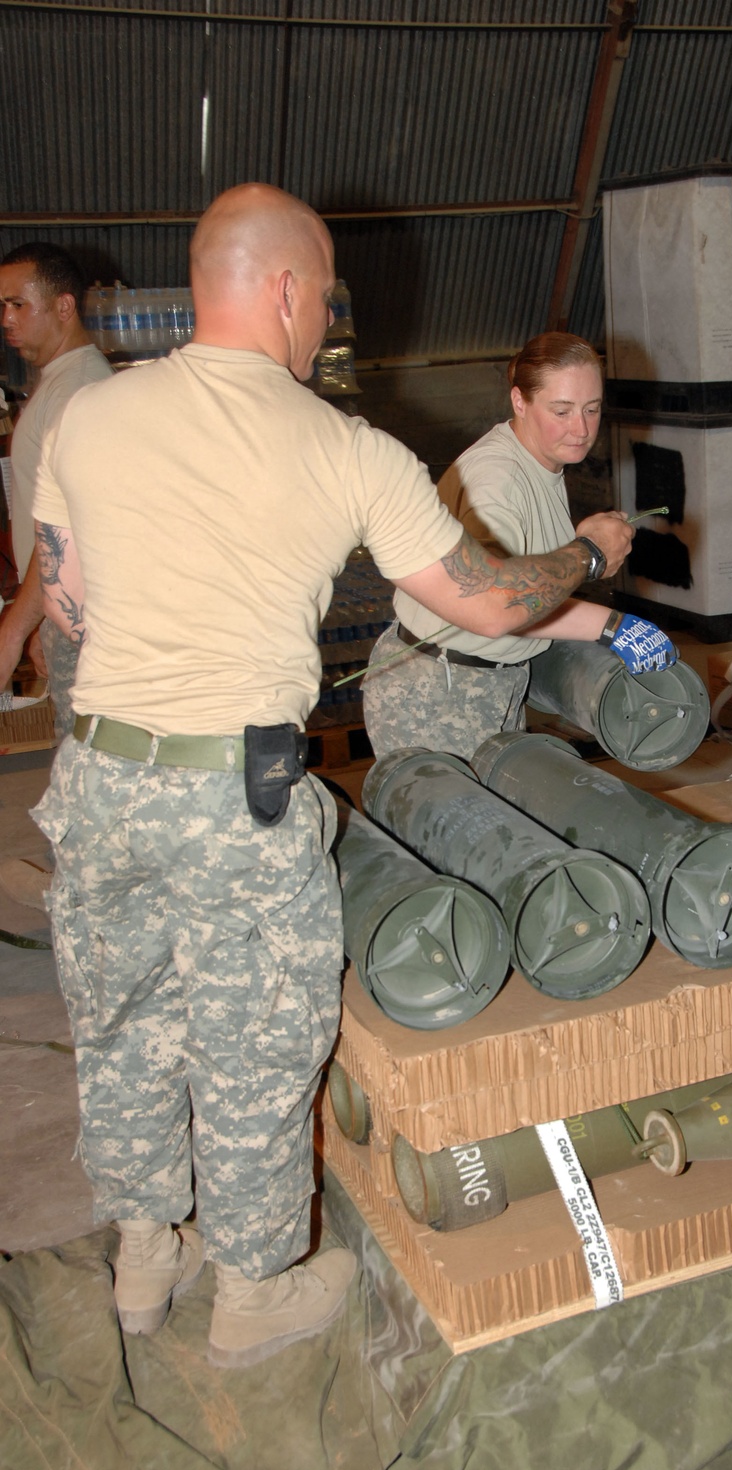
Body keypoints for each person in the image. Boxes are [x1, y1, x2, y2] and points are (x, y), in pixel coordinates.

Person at [30, 183, 636, 1369]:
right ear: (288, 290)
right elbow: (493, 599)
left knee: (124, 1020)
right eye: (325, 300)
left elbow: (67, 598)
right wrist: (590, 549)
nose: (326, 328)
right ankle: (255, 1290)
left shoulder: (85, 420)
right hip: (230, 789)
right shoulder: (346, 446)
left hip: (100, 776)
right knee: (255, 1037)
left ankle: (148, 1254)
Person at [363, 331, 676, 759]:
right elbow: (501, 603)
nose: (581, 429)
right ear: (519, 401)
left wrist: (581, 545)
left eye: (592, 409)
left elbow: (525, 580)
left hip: (490, 682)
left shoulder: (539, 460)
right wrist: (614, 623)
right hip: (442, 692)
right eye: (562, 411)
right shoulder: (498, 480)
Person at [0, 243, 114, 912]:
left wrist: (16, 627)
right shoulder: (58, 384)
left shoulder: (81, 393)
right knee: (77, 757)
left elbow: (68, 530)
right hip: (67, 612)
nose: (6, 320)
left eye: (18, 303)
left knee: (88, 765)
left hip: (92, 617)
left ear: (63, 306)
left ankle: (90, 908)